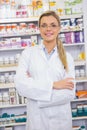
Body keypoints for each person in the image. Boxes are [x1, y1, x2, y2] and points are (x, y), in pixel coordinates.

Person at [14, 10, 75, 130]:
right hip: (37, 122)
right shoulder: (28, 54)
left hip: (60, 122)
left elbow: (69, 93)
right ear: (39, 29)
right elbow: (21, 85)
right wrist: (54, 85)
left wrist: (36, 97)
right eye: (44, 25)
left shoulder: (68, 58)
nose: (48, 29)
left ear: (59, 28)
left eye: (53, 25)